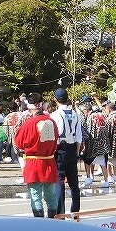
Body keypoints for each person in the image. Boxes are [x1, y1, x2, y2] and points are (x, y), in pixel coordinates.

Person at [13, 102, 59, 218]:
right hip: (49, 161)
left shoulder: (29, 123)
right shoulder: (52, 122)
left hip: (34, 162)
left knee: (35, 195)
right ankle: (54, 221)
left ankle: (39, 222)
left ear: (30, 108)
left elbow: (19, 142)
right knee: (51, 195)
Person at [50, 88, 83, 216]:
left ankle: (60, 212)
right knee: (74, 182)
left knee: (59, 180)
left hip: (60, 149)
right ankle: (75, 210)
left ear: (55, 99)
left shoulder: (55, 115)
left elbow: (54, 135)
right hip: (72, 148)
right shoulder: (75, 114)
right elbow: (79, 136)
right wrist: (77, 152)